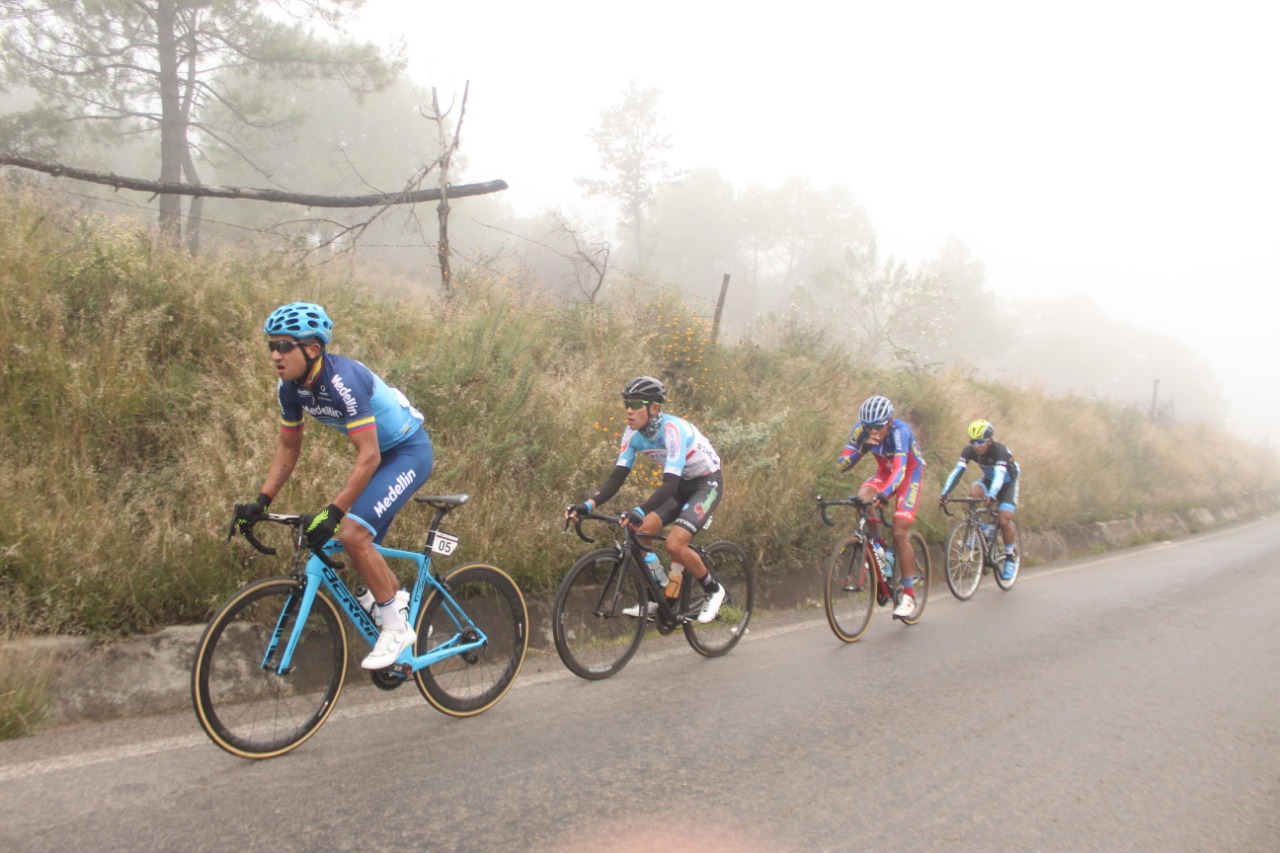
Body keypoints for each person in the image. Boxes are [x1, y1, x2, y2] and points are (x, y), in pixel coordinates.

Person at [233, 302, 433, 670]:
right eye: (270, 347)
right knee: (350, 542)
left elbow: (369, 455)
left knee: (353, 534)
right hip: (378, 459)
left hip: (406, 452)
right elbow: (288, 449)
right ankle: (392, 599)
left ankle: (396, 626)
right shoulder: (290, 388)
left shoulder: (342, 380)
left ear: (312, 349)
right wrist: (261, 502)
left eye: (284, 346)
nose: (276, 355)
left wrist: (334, 509)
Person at [565, 376, 727, 623]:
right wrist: (588, 505)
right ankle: (662, 595)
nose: (629, 410)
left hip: (706, 483)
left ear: (654, 408)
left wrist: (640, 510)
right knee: (640, 533)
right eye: (626, 404)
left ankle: (714, 589)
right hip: (682, 485)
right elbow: (617, 477)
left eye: (636, 403)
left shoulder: (673, 430)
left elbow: (669, 484)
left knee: (675, 544)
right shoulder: (631, 435)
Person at [836, 394, 927, 618]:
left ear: (889, 421)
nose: (872, 431)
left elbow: (900, 471)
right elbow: (842, 465)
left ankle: (908, 594)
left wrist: (885, 495)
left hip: (907, 475)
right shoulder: (862, 431)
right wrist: (862, 451)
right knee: (863, 498)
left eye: (878, 427)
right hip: (883, 473)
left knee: (899, 530)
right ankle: (882, 554)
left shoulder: (900, 431)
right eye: (868, 427)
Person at [938, 419, 1021, 579]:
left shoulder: (999, 450)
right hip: (989, 480)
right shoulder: (969, 451)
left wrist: (991, 495)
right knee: (973, 494)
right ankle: (980, 528)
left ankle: (1010, 556)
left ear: (989, 440)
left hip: (1007, 483)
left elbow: (999, 476)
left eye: (981, 442)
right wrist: (945, 493)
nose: (977, 446)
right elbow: (957, 472)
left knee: (1004, 520)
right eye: (973, 442)